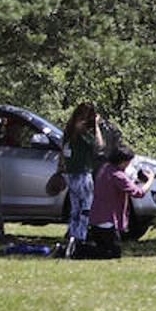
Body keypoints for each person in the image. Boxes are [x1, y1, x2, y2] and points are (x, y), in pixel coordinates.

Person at [87, 145, 155, 259]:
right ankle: (76, 250)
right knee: (113, 253)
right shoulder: (118, 175)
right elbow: (138, 193)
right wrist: (150, 179)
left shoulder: (105, 168)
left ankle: (77, 248)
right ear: (123, 161)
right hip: (107, 221)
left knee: (104, 249)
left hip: (96, 218)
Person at [61, 102, 106, 258]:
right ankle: (80, 238)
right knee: (86, 207)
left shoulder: (68, 131)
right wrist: (97, 126)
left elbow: (63, 153)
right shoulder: (82, 133)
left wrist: (60, 171)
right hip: (82, 174)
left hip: (70, 174)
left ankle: (72, 236)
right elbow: (99, 146)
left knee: (75, 208)